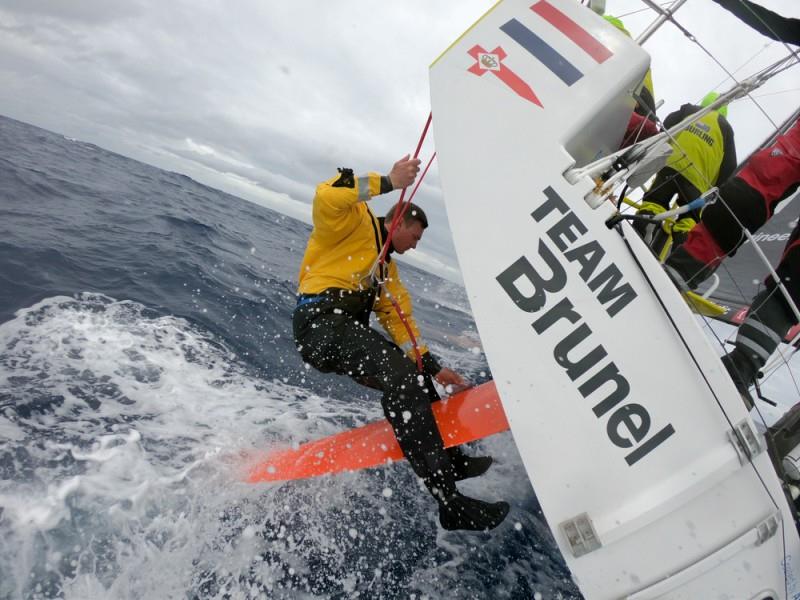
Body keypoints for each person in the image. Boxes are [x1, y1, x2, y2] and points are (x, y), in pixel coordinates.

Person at [292, 154, 509, 531]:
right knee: (403, 380)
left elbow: (400, 321)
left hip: (343, 330)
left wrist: (435, 367)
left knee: (417, 378)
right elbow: (326, 196)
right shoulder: (352, 221)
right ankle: (449, 503)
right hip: (320, 324)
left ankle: (451, 460)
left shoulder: (385, 270)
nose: (416, 245)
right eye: (415, 236)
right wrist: (389, 181)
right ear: (398, 221)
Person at [634, 93, 737, 253]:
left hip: (671, 164)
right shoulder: (726, 130)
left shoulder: (690, 110)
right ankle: (680, 246)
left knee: (655, 200)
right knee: (689, 219)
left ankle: (645, 223)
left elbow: (667, 125)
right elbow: (730, 166)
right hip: (698, 181)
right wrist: (714, 187)